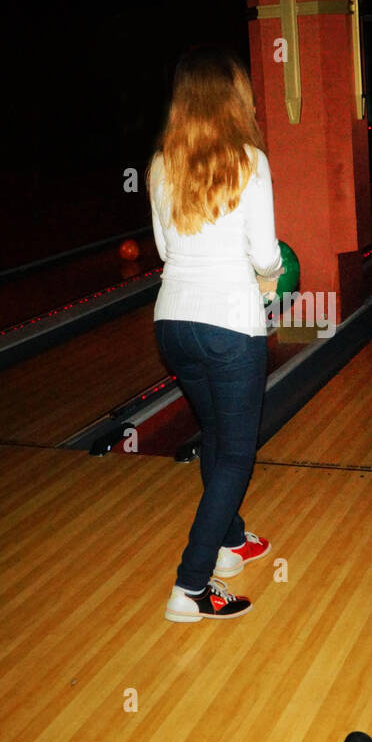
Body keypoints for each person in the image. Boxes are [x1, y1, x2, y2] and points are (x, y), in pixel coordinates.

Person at [146, 45, 285, 623]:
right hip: (231, 323)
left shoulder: (160, 165)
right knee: (235, 453)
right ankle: (192, 586)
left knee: (216, 436)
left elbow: (162, 249)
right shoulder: (250, 161)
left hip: (173, 321)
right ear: (234, 101)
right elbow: (266, 252)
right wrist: (272, 281)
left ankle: (230, 542)